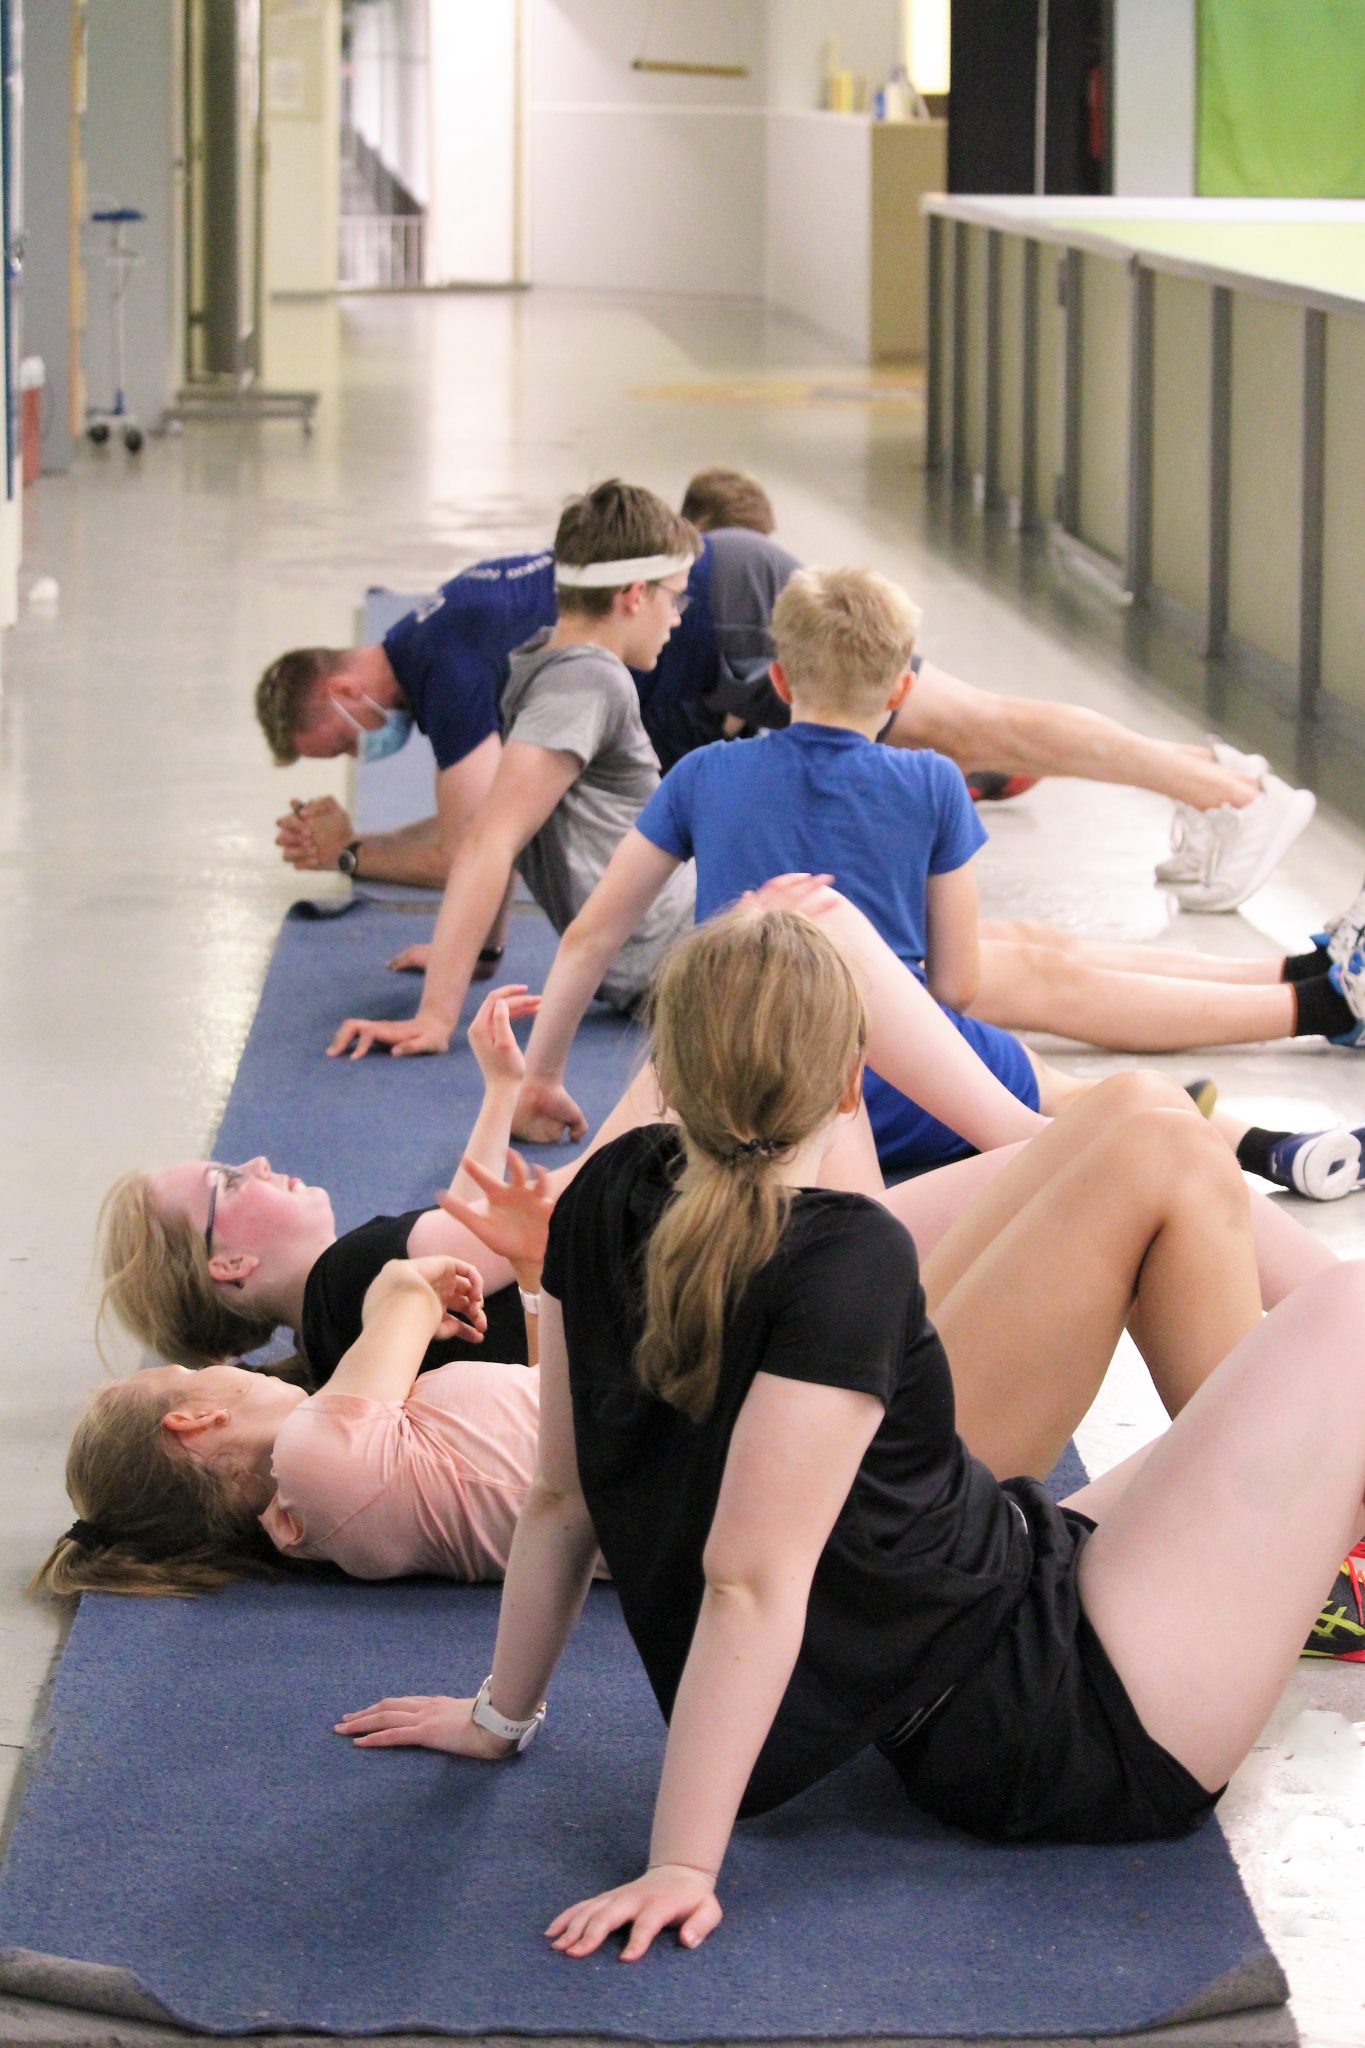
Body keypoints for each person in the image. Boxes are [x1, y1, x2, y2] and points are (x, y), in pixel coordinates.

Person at [335, 900, 1365, 1965]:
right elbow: (746, 1581)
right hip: (1070, 1718)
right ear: (847, 1084)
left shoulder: (605, 1195)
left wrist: (500, 1716)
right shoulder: (846, 1256)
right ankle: (1325, 1577)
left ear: (668, 1074)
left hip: (1012, 1597)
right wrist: (681, 1863)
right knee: (1348, 1314)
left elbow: (562, 1499)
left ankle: (1323, 1563)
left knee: (1181, 1171)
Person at [508, 567, 1364, 1196]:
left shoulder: (704, 773)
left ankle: (1298, 1015)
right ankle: (1270, 1148)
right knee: (1067, 1090)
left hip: (733, 1086)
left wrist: (538, 1076)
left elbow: (591, 935)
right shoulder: (930, 783)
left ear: (779, 679)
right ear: (902, 687)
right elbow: (955, 984)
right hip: (902, 1091)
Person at [683, 467, 1316, 908]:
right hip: (719, 617)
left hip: (724, 602)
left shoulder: (712, 583)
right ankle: (1215, 773)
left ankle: (1233, 798)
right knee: (975, 734)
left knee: (980, 729)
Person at [325, 480, 699, 1062]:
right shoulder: (586, 683)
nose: (676, 618)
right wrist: (435, 1015)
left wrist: (481, 955)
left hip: (677, 944)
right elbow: (489, 842)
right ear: (632, 595)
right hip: (684, 956)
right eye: (675, 598)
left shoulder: (538, 666)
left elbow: (501, 829)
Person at [37, 1253, 547, 1596]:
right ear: (193, 1422)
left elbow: (540, 1429)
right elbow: (407, 1293)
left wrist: (535, 1287)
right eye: (194, 1373)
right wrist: (395, 1282)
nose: (230, 1368)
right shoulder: (313, 1467)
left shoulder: (311, 1522)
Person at [261, 550, 556, 898]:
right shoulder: (420, 640)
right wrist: (352, 843)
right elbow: (491, 815)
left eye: (344, 744)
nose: (356, 756)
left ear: (346, 690)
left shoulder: (447, 679)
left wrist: (346, 856)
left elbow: (470, 861)